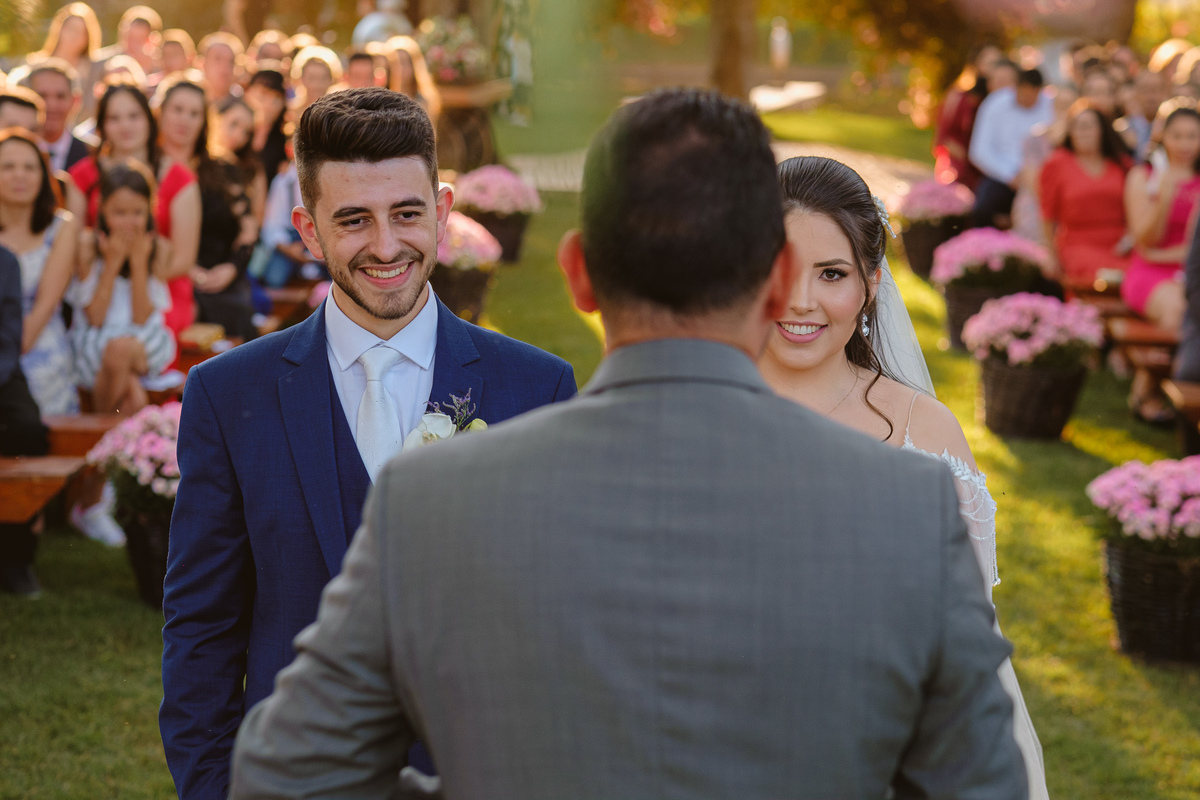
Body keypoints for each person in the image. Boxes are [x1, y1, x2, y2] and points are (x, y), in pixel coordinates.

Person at [228, 87, 1025, 800]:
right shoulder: (908, 508)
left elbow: (286, 773)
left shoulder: (429, 499)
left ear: (577, 274)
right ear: (778, 278)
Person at [162, 87, 578, 800]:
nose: (386, 246)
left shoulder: (537, 390)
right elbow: (202, 629)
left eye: (407, 214)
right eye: (354, 220)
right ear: (308, 230)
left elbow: (565, 625)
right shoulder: (228, 396)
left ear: (442, 212)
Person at [757, 154, 1049, 800]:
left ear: (872, 282)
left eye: (831, 273)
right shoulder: (701, 415)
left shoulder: (926, 430)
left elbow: (967, 635)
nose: (800, 300)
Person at [70, 82, 202, 343]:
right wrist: (110, 275)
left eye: (134, 116)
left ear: (149, 120)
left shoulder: (179, 178)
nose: (125, 126)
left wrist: (138, 276)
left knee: (138, 340)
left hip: (160, 286)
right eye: (114, 118)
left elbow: (183, 260)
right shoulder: (82, 175)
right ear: (102, 125)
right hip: (99, 286)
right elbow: (73, 246)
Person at [66, 160, 174, 414]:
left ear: (150, 210)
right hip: (95, 338)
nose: (129, 222)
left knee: (121, 349)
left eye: (137, 213)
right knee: (132, 398)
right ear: (102, 209)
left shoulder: (159, 248)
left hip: (144, 339)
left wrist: (138, 262)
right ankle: (118, 431)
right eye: (119, 213)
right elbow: (95, 317)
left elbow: (141, 317)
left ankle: (98, 428)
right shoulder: (88, 245)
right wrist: (112, 262)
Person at [1122, 101, 1200, 421]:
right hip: (1150, 273)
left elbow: (1194, 248)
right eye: (1177, 135)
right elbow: (1145, 240)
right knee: (1178, 310)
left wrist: (1178, 254)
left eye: (1192, 136)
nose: (1184, 144)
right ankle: (1151, 388)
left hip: (1191, 272)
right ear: (1162, 136)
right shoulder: (1143, 177)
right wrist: (1165, 196)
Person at [0, 129, 80, 416]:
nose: (19, 175)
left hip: (39, 340)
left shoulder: (62, 227)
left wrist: (9, 354)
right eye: (8, 167)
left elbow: (46, 305)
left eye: (29, 167)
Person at [0, 242, 50, 597]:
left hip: (1, 372)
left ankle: (16, 558)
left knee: (28, 429)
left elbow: (8, 339)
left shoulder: (5, 262)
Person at [190, 97, 261, 341]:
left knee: (238, 312)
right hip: (181, 273)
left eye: (246, 131)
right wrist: (189, 271)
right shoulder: (175, 167)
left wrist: (231, 268)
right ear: (214, 119)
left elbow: (249, 229)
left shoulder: (231, 171)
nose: (239, 135)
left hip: (224, 274)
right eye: (234, 124)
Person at [1040, 101, 1132, 285]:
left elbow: (1135, 209)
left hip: (1120, 244)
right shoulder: (1056, 164)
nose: (1083, 132)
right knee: (1102, 280)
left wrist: (1131, 238)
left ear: (1102, 130)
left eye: (1088, 126)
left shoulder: (1122, 164)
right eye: (1077, 127)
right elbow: (1047, 216)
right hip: (1077, 244)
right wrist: (1050, 255)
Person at [968, 68, 1055, 229]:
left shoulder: (1051, 105)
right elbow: (979, 151)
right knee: (982, 210)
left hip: (1040, 178)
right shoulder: (995, 104)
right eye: (1024, 93)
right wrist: (1009, 175)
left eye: (1033, 94)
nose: (1028, 98)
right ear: (1016, 87)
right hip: (1003, 176)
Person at [933, 44, 1001, 188]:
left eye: (998, 63)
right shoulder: (958, 97)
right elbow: (943, 136)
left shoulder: (998, 101)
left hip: (988, 169)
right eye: (991, 63)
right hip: (958, 167)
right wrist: (967, 156)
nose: (995, 68)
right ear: (977, 64)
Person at [26, 2, 103, 121]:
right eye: (71, 29)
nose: (74, 36)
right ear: (59, 30)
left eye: (81, 32)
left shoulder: (94, 70)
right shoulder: (38, 65)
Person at [25, 60, 92, 173]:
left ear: (75, 101)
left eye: (60, 96)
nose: (51, 105)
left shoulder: (92, 155)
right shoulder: (10, 151)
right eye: (42, 96)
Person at [244, 66, 288, 183]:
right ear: (248, 93)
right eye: (263, 95)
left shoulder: (284, 142)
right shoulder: (233, 128)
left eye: (276, 98)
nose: (269, 105)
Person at [384, 35, 441, 124]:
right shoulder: (381, 98)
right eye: (394, 63)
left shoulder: (422, 101)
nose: (400, 68)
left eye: (405, 62)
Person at [94, 5, 162, 80]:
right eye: (130, 37)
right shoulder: (99, 61)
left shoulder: (160, 65)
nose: (133, 45)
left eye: (139, 39)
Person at [290, 45, 340, 118]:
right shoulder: (290, 113)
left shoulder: (338, 114)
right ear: (301, 78)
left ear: (332, 80)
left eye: (323, 78)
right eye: (311, 78)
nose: (316, 84)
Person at [197, 33, 244, 105]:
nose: (225, 67)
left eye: (230, 61)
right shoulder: (190, 101)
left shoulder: (243, 106)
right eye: (218, 59)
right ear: (203, 64)